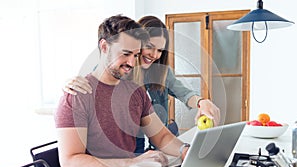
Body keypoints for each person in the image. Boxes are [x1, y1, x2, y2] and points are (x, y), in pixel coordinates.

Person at [55, 15, 190, 167]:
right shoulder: (77, 95)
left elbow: (162, 136)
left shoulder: (136, 92)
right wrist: (132, 162)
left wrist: (185, 150)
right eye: (125, 54)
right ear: (104, 47)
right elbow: (71, 163)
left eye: (135, 55)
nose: (132, 63)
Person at [63, 16, 220, 151]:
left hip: (157, 143)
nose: (155, 55)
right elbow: (96, 78)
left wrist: (202, 102)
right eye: (150, 47)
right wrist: (69, 83)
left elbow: (184, 93)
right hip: (132, 145)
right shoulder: (119, 71)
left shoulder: (160, 72)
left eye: (160, 50)